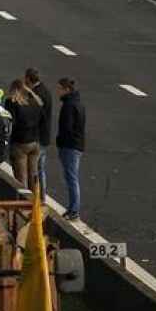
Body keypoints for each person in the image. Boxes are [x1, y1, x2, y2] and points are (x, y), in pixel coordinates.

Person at [5, 79, 43, 190]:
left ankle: (22, 202)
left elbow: (12, 123)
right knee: (34, 174)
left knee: (21, 177)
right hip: (35, 141)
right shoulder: (35, 101)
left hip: (20, 142)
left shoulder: (12, 102)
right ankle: (35, 200)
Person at [56, 77, 86, 220]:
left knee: (71, 178)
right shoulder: (79, 104)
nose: (58, 91)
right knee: (72, 177)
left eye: (60, 88)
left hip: (69, 146)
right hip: (77, 145)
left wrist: (60, 142)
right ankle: (73, 208)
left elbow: (66, 128)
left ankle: (74, 210)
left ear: (66, 89)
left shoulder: (68, 106)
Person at [25, 68, 53, 187]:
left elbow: (33, 115)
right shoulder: (44, 91)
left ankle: (38, 195)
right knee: (39, 169)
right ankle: (41, 195)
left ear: (28, 79)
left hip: (37, 136)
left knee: (35, 169)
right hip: (44, 135)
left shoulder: (36, 95)